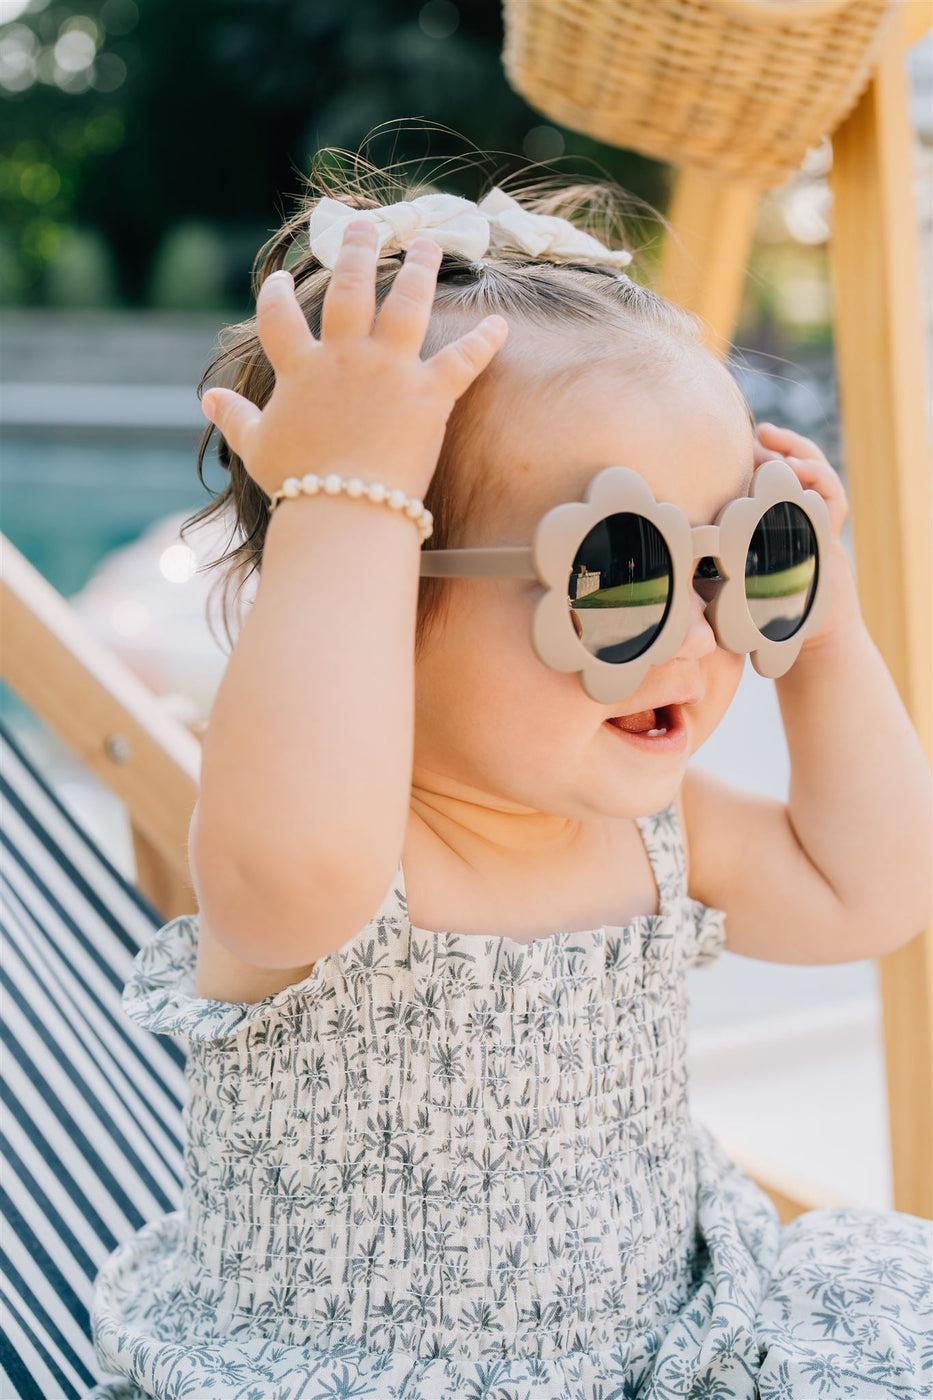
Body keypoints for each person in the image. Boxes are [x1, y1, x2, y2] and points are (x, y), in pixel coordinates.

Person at [88, 153, 933, 1399]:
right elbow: (288, 860)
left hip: (677, 1348)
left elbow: (875, 889)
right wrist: (343, 505)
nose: (705, 633)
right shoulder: (332, 867)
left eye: (743, 554)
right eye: (625, 569)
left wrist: (822, 630)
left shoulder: (651, 832)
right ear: (381, 582)